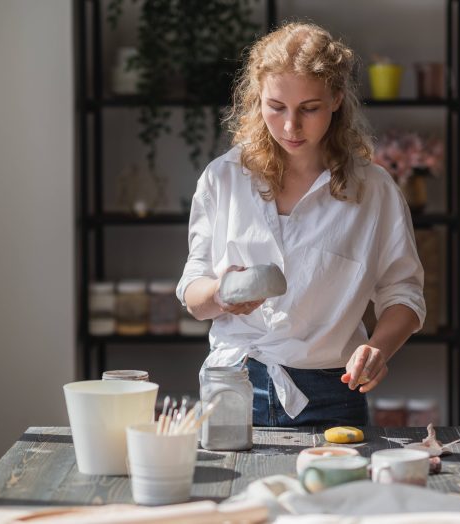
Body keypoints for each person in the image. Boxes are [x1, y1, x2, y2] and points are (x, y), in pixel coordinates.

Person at [176, 22, 425, 427]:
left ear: (336, 100)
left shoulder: (374, 190)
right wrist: (221, 295)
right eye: (276, 107)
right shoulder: (223, 179)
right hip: (234, 386)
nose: (291, 126)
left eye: (309, 109)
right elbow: (192, 290)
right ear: (258, 100)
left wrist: (378, 348)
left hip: (333, 390)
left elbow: (404, 295)